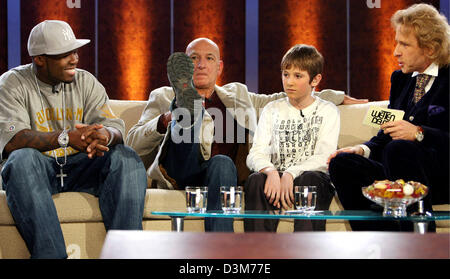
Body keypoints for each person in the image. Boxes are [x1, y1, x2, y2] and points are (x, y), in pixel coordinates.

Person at [126, 38, 366, 232]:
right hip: (180, 169)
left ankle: (220, 249)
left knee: (222, 163)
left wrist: (333, 96)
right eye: (193, 59)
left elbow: (279, 99)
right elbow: (133, 142)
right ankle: (186, 108)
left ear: (219, 67)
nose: (200, 64)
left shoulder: (237, 94)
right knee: (189, 115)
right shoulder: (162, 96)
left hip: (219, 174)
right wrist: (162, 121)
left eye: (208, 58)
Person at [0, 20, 148, 258]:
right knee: (21, 159)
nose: (74, 59)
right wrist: (66, 138)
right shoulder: (13, 83)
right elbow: (13, 140)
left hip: (81, 165)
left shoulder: (85, 81)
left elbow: (116, 129)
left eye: (75, 51)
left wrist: (104, 135)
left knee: (125, 156)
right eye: (64, 54)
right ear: (40, 59)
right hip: (38, 169)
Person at [327, 3, 449, 232]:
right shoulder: (401, 79)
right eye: (396, 43)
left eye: (404, 44)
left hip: (439, 174)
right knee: (342, 164)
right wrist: (362, 149)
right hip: (398, 170)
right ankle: (380, 240)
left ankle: (421, 242)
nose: (395, 52)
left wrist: (419, 133)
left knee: (399, 148)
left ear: (430, 48)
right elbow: (389, 129)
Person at [244, 44, 339, 232]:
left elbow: (324, 157)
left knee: (309, 180)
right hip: (278, 177)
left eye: (298, 76)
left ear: (315, 79)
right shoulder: (272, 109)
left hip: (311, 177)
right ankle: (256, 251)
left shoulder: (328, 110)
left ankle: (305, 251)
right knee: (256, 179)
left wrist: (291, 173)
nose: (289, 82)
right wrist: (271, 171)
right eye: (285, 74)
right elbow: (256, 153)